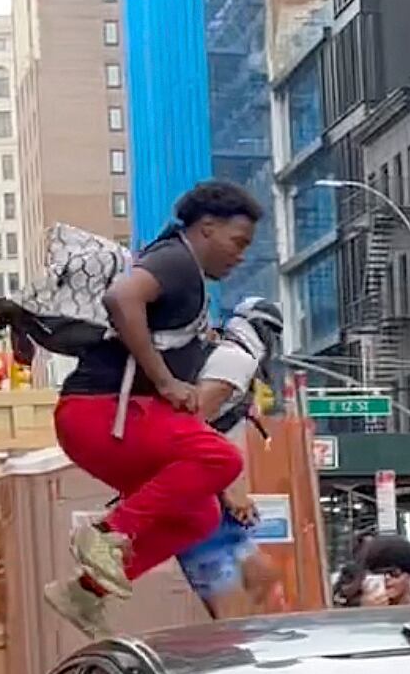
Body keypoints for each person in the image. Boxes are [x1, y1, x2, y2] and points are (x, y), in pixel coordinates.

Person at [50, 181, 256, 616]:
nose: (240, 255)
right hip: (100, 414)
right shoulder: (177, 260)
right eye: (238, 242)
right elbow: (121, 297)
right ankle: (105, 533)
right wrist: (164, 382)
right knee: (222, 459)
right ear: (206, 227)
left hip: (102, 422)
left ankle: (85, 593)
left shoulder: (181, 270)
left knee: (199, 516)